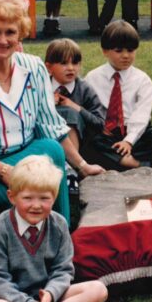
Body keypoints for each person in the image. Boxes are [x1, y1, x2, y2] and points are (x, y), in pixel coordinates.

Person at [0, 0, 104, 223]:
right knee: (17, 197)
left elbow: (51, 126)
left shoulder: (34, 67)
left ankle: (60, 237)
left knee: (52, 150)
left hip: (27, 159)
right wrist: (2, 170)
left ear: (21, 35)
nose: (3, 40)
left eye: (10, 32)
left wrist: (83, 166)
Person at [0, 156, 109, 302]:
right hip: (15, 301)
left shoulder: (58, 224)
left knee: (98, 289)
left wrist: (50, 294)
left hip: (50, 298)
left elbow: (63, 270)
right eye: (28, 198)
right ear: (12, 197)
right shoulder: (0, 228)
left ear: (54, 197)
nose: (36, 205)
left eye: (44, 198)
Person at [84, 20, 152, 170]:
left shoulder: (142, 80)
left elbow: (142, 115)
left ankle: (116, 161)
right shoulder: (92, 78)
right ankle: (138, 163)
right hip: (106, 134)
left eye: (131, 50)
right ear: (105, 51)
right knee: (89, 144)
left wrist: (129, 141)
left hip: (135, 133)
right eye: (119, 51)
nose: (126, 56)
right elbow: (87, 110)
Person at [45, 38, 106, 191]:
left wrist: (77, 108)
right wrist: (47, 103)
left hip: (82, 141)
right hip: (47, 137)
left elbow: (100, 123)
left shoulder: (84, 89)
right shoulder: (42, 87)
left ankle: (72, 167)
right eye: (64, 63)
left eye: (75, 63)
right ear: (49, 67)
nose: (71, 68)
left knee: (69, 112)